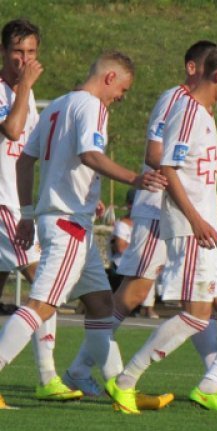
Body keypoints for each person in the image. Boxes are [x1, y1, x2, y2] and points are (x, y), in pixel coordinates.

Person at [105, 44, 217, 418]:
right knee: (196, 315)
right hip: (191, 230)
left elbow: (190, 171)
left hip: (207, 229)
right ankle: (125, 380)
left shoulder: (203, 112)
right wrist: (196, 219)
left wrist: (208, 206)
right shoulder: (186, 111)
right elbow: (167, 169)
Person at [0, 51, 167, 411]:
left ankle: (121, 388)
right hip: (68, 224)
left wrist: (28, 212)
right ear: (109, 78)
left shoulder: (59, 104)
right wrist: (135, 178)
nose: (121, 97)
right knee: (41, 305)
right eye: (123, 89)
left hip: (68, 220)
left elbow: (25, 160)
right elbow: (91, 155)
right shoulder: (92, 106)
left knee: (100, 303)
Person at [62, 40, 217, 397]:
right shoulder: (174, 99)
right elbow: (154, 154)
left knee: (201, 298)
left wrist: (205, 189)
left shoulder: (201, 107)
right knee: (134, 291)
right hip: (157, 206)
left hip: (181, 206)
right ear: (192, 68)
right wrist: (180, 183)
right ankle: (80, 369)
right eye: (208, 67)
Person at [0, 18, 82, 404]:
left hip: (16, 203)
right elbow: (13, 131)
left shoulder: (27, 95)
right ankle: (47, 377)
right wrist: (25, 88)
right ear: (3, 52)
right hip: (2, 204)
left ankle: (47, 377)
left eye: (31, 52)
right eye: (18, 52)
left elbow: (30, 154)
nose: (25, 59)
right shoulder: (13, 91)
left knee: (40, 287)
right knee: (46, 284)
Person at [106, 188, 135, 292]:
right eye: (132, 203)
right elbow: (120, 248)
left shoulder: (142, 225)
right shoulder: (121, 225)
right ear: (128, 205)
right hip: (120, 269)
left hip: (134, 268)